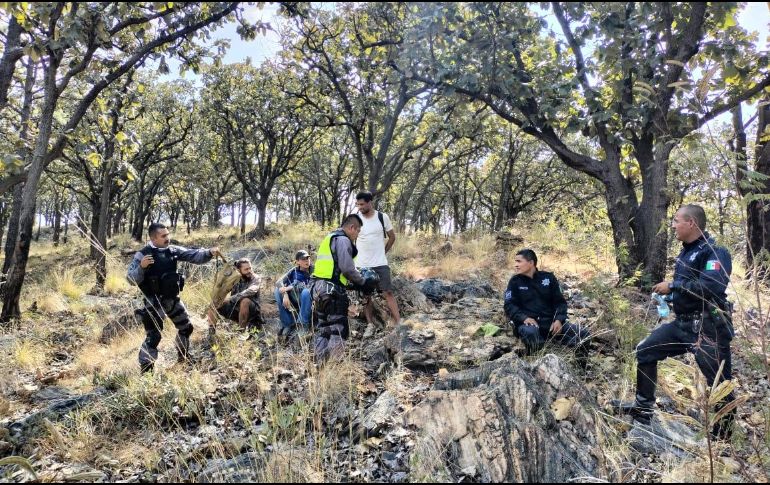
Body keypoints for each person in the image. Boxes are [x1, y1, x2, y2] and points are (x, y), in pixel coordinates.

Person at [612, 205, 735, 438]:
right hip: (682, 324)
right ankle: (643, 408)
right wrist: (670, 295)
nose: (673, 225)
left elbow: (712, 286)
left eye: (677, 220)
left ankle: (723, 440)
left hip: (708, 328)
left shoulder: (715, 251)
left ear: (692, 224)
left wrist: (674, 285)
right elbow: (691, 287)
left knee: (720, 385)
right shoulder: (687, 251)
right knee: (646, 350)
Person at [127, 222, 221, 374]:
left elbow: (194, 255)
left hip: (173, 299)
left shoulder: (173, 250)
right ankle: (146, 371)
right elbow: (131, 279)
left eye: (167, 234)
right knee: (154, 336)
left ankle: (183, 356)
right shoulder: (143, 254)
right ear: (153, 238)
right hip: (154, 302)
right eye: (163, 236)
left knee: (186, 328)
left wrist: (209, 252)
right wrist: (141, 267)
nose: (167, 238)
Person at [504, 248, 591, 369]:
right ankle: (538, 368)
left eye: (519, 261)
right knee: (531, 333)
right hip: (529, 325)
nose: (516, 265)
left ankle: (580, 369)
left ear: (531, 263)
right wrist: (524, 318)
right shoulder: (514, 282)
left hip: (550, 324)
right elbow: (509, 305)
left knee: (584, 334)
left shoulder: (548, 278)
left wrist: (559, 320)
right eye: (515, 261)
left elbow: (560, 303)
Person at [310, 214, 377, 361]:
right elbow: (347, 269)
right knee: (338, 329)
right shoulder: (343, 240)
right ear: (352, 227)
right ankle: (336, 366)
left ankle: (319, 365)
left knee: (324, 330)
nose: (357, 235)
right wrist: (363, 282)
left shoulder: (330, 238)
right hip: (332, 290)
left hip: (318, 289)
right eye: (358, 231)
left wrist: (350, 284)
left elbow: (335, 270)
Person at [354, 191, 400, 337]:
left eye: (362, 204)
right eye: (358, 204)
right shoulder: (355, 219)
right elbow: (348, 239)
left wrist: (383, 252)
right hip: (362, 264)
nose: (360, 207)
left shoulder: (382, 217)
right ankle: (370, 325)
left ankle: (399, 323)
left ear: (370, 202)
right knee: (366, 296)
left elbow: (392, 237)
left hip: (380, 263)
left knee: (388, 292)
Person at [207, 258, 264, 342]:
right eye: (246, 269)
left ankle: (241, 333)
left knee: (245, 301)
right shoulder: (234, 278)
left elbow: (252, 290)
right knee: (214, 303)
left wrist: (232, 298)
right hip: (235, 309)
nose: (249, 271)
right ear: (239, 270)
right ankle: (211, 334)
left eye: (250, 268)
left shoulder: (255, 278)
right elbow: (222, 291)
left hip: (252, 312)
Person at [274, 250, 314, 337]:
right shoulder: (294, 271)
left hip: (307, 299)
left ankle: (303, 325)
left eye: (308, 258)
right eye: (303, 259)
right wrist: (285, 294)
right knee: (277, 290)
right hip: (294, 297)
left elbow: (306, 285)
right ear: (297, 262)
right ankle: (288, 324)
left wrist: (288, 288)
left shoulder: (314, 270)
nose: (307, 261)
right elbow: (278, 282)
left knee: (306, 292)